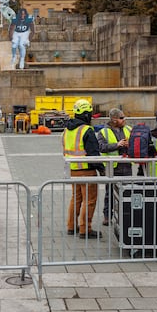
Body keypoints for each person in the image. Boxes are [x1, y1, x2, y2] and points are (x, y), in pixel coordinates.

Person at [63, 99, 103, 239]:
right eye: (90, 114)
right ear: (86, 114)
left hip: (73, 170)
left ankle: (71, 226)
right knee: (89, 200)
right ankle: (85, 229)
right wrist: (101, 168)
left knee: (76, 199)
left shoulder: (67, 129)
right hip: (87, 170)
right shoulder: (87, 130)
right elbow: (93, 153)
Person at [97, 108, 132, 226]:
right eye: (122, 118)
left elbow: (136, 144)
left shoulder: (128, 129)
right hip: (112, 167)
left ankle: (126, 215)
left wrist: (129, 145)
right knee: (110, 193)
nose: (124, 119)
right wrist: (117, 145)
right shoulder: (104, 132)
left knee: (127, 192)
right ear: (114, 120)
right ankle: (107, 216)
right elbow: (101, 147)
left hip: (126, 166)